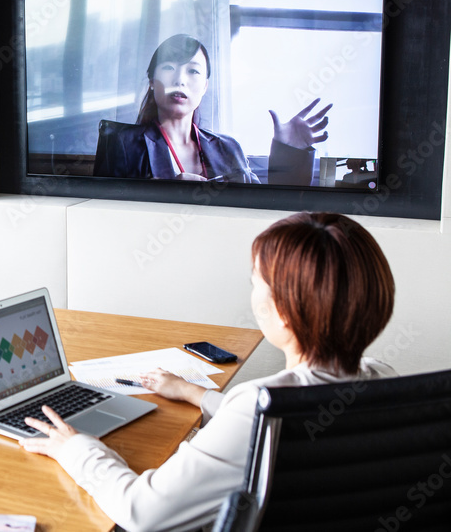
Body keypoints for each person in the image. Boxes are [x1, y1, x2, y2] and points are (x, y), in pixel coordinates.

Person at [20, 212, 396, 531]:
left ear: (284, 311)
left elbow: (142, 513)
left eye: (257, 283)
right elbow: (278, 422)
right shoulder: (386, 382)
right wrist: (195, 395)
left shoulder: (259, 409)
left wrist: (76, 449)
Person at [93, 34, 332, 184]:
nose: (180, 79)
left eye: (193, 70)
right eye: (168, 67)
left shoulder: (228, 147)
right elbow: (102, 219)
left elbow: (266, 211)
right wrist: (162, 194)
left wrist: (288, 152)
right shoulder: (122, 144)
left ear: (205, 86)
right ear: (152, 81)